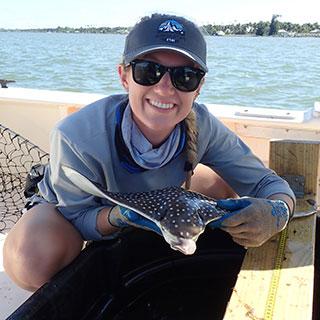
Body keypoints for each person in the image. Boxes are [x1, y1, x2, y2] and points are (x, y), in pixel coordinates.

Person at [3, 13, 295, 292]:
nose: (165, 88)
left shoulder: (203, 125)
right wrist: (120, 217)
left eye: (185, 77)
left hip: (157, 199)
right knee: (31, 260)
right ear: (124, 76)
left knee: (221, 185)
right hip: (73, 209)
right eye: (148, 71)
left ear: (199, 87)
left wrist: (277, 213)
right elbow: (77, 215)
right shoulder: (76, 135)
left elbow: (268, 185)